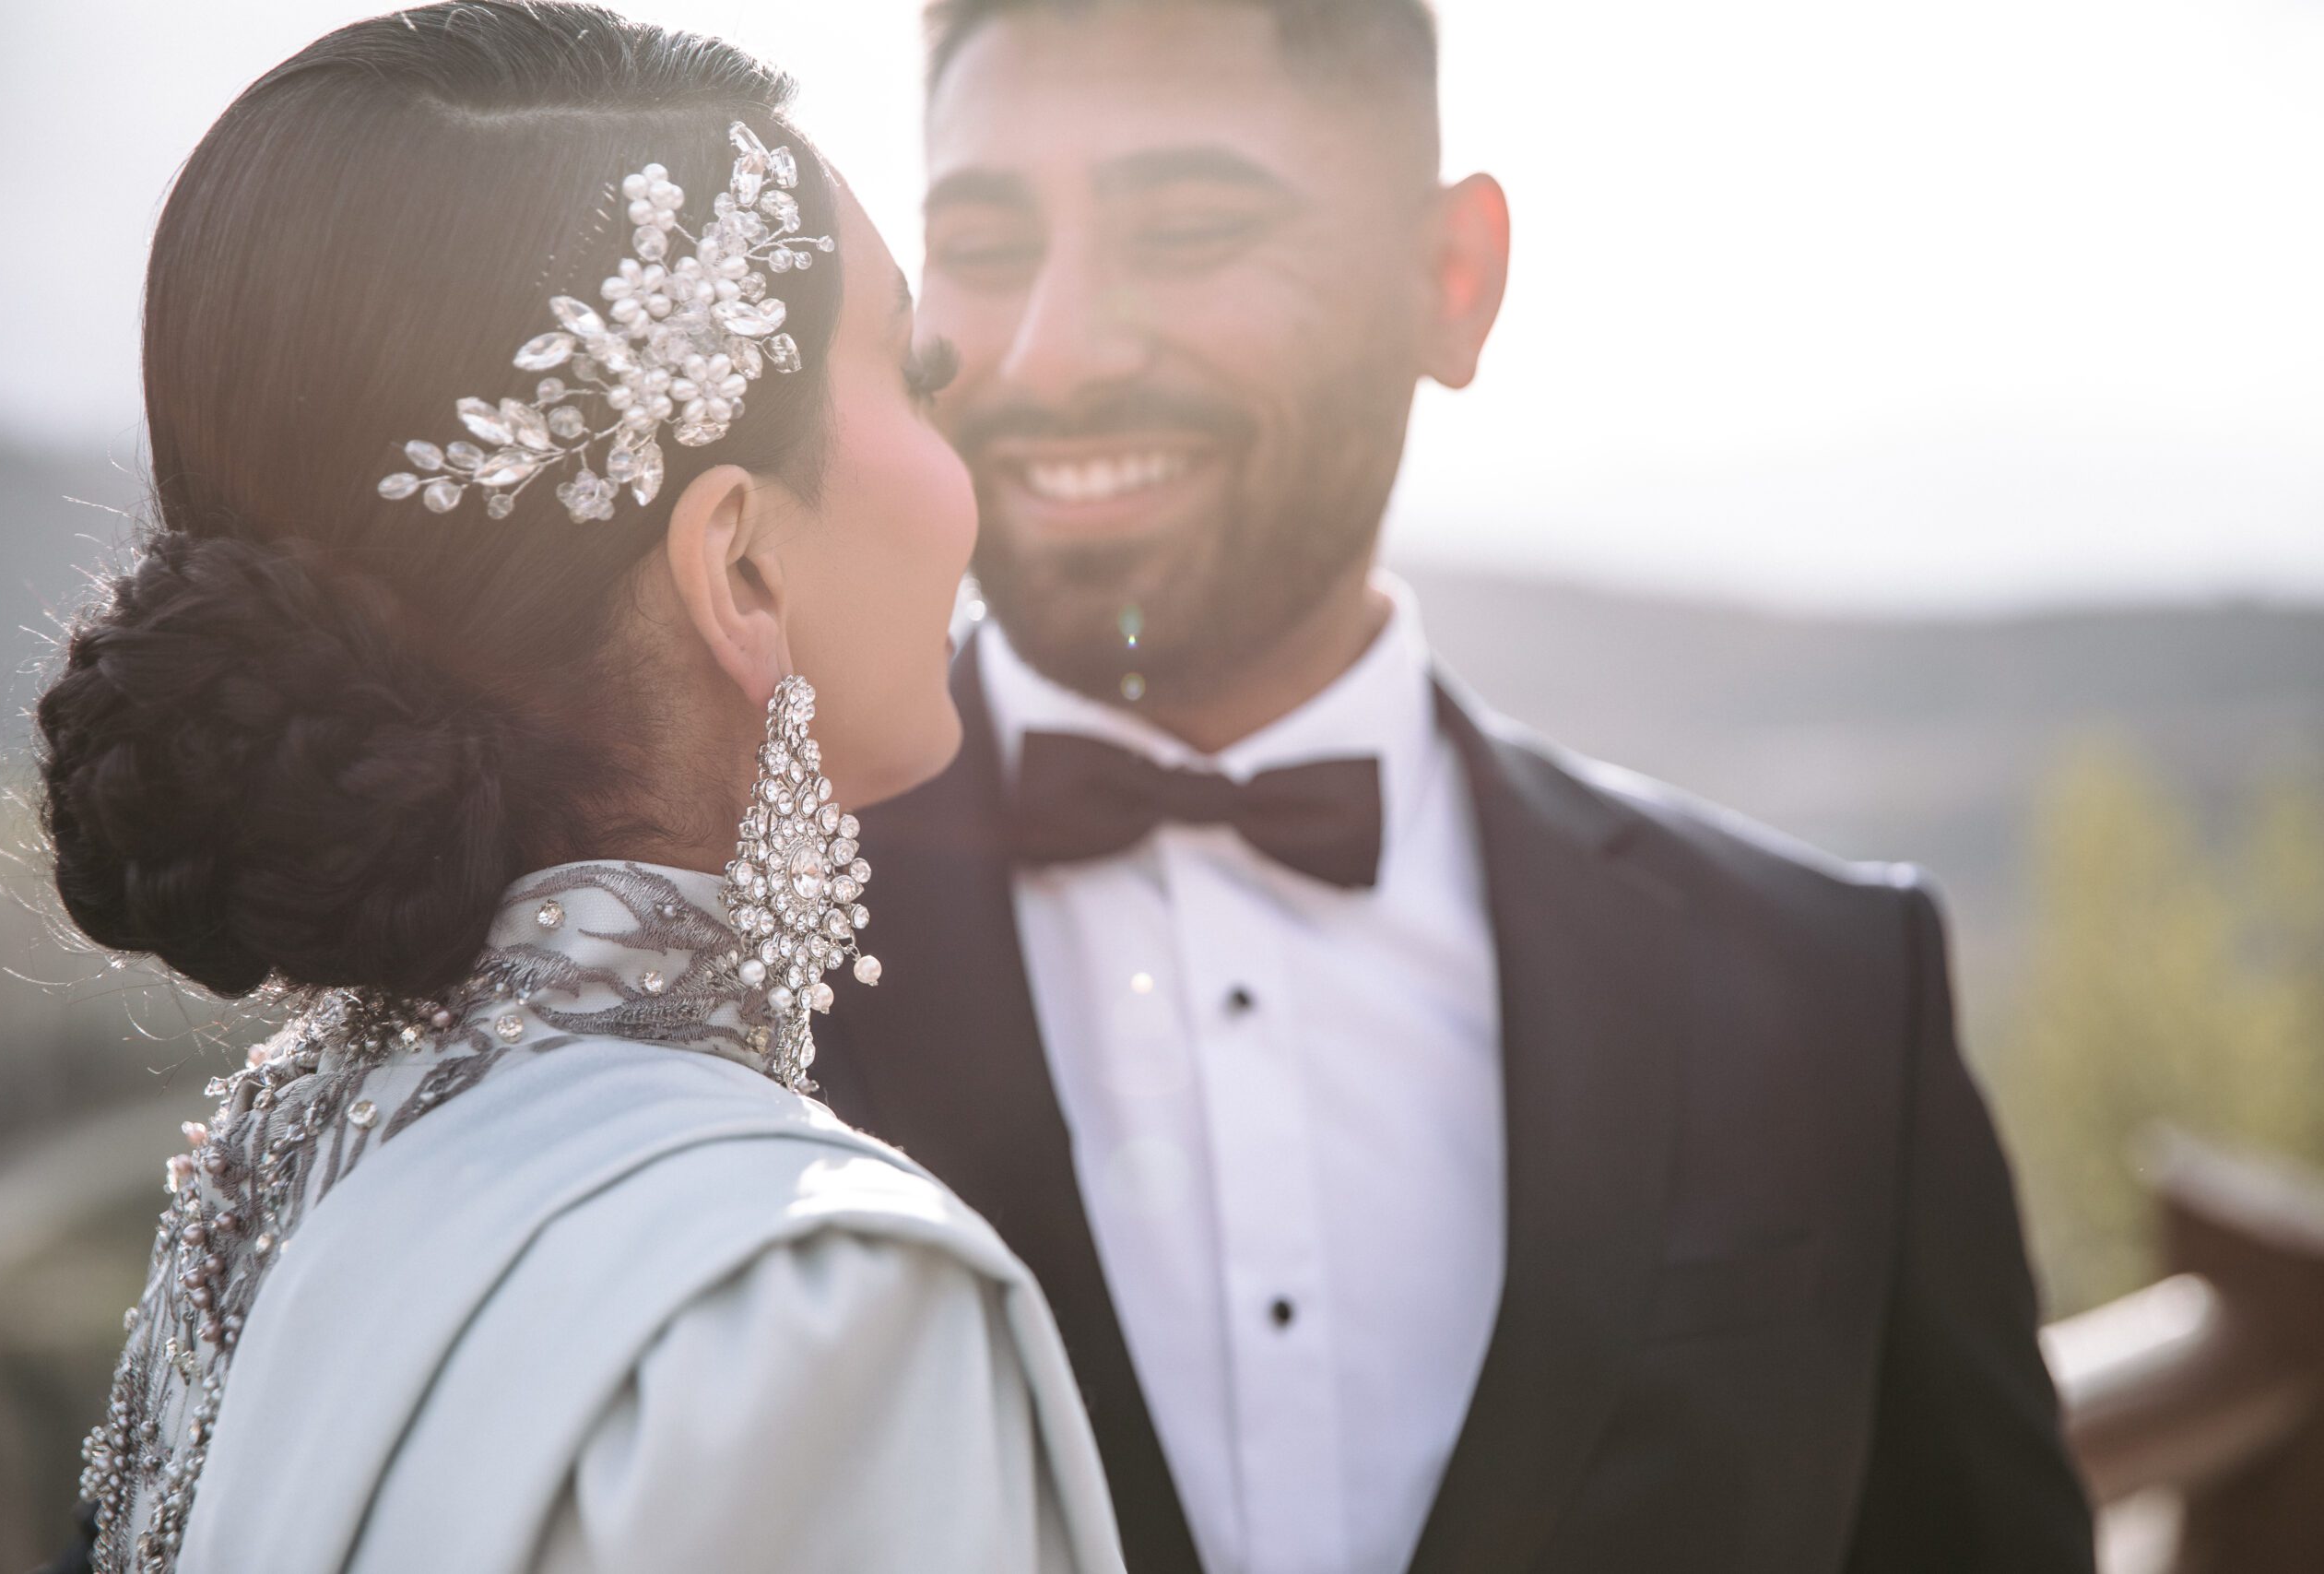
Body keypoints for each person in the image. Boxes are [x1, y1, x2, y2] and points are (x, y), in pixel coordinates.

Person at [820, 2, 2098, 1571]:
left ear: (1452, 282)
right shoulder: (699, 953)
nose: (1053, 352)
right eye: (987, 242)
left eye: (1192, 227)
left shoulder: (1833, 991)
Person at [34, 4, 1123, 1570]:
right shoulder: (809, 1303)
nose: (975, 466)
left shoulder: (278, 1163)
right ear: (738, 563)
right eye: (918, 368)